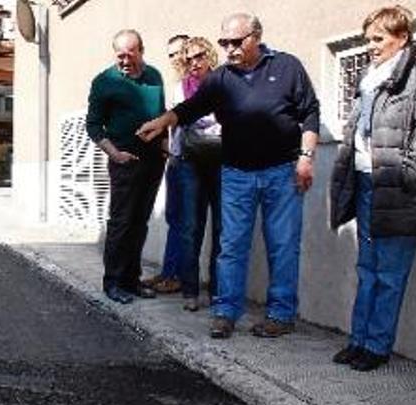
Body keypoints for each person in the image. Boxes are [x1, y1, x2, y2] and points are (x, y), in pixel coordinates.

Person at [137, 12, 320, 338]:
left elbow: (309, 112)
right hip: (236, 174)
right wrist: (163, 123)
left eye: (237, 41)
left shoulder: (287, 66)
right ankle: (226, 311)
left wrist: (306, 157)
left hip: (282, 172)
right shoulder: (220, 78)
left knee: (283, 246)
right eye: (224, 42)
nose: (230, 48)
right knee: (231, 246)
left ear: (257, 36)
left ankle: (280, 315)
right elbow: (191, 107)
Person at [329, 5, 416, 372]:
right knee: (367, 267)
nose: (371, 45)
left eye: (378, 38)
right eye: (369, 38)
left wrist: (407, 173)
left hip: (398, 189)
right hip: (366, 182)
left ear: (401, 38)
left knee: (390, 273)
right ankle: (359, 340)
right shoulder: (367, 79)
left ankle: (378, 346)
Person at [86, 29, 167, 304]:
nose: (124, 60)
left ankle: (132, 280)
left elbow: (161, 114)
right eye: (119, 55)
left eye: (130, 54)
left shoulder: (154, 76)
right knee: (121, 222)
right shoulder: (104, 81)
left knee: (140, 222)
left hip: (154, 160)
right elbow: (93, 125)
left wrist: (165, 146)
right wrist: (115, 154)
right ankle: (113, 282)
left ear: (141, 51)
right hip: (124, 161)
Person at [174, 37, 223, 312]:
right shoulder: (179, 89)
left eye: (199, 56)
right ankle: (190, 291)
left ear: (210, 56)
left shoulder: (224, 84)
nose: (195, 62)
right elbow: (176, 125)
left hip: (222, 162)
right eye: (188, 58)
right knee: (190, 228)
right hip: (190, 163)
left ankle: (217, 291)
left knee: (221, 229)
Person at [142, 34, 189, 295]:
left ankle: (178, 276)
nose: (176, 58)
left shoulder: (195, 83)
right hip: (176, 157)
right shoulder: (176, 85)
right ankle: (169, 272)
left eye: (180, 52)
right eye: (170, 54)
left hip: (192, 160)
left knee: (185, 221)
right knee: (174, 217)